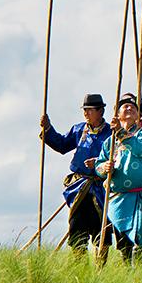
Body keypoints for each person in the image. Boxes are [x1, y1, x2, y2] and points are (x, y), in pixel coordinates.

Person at [40, 94, 113, 261]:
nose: (86, 113)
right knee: (77, 226)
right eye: (84, 110)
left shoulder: (111, 132)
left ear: (100, 111)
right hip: (79, 187)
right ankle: (78, 266)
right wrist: (48, 129)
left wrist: (101, 163)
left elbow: (117, 156)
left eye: (89, 110)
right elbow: (62, 145)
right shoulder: (79, 130)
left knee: (101, 229)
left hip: (101, 187)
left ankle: (100, 268)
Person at [95, 95, 142, 259]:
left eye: (133, 107)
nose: (130, 108)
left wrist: (120, 132)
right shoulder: (110, 142)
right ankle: (128, 273)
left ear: (139, 115)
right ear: (117, 115)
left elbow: (139, 149)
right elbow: (99, 165)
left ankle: (141, 271)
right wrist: (104, 167)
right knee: (123, 241)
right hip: (119, 198)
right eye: (125, 107)